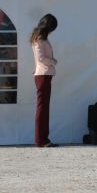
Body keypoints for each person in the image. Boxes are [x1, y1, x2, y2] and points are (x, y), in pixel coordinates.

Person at [30, 13, 58, 147]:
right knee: (42, 108)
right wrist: (53, 61)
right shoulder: (40, 39)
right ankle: (41, 140)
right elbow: (41, 58)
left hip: (43, 75)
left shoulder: (39, 38)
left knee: (44, 108)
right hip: (43, 75)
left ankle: (44, 139)